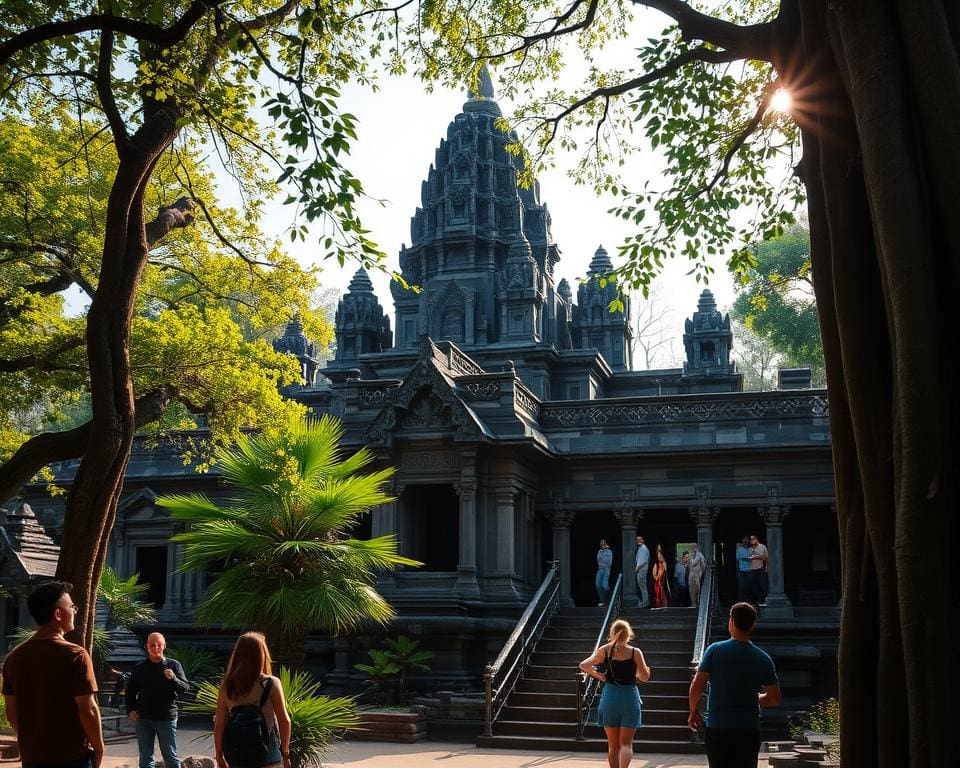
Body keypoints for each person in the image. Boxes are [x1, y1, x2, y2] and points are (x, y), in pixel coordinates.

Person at [1, 580, 104, 768]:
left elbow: (11, 714)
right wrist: (99, 748)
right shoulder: (76, 655)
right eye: (72, 606)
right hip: (72, 757)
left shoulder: (13, 658)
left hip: (33, 759)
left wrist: (31, 744)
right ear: (58, 614)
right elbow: (87, 709)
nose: (75, 611)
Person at [688, 602, 782, 768]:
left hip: (719, 726)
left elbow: (697, 685)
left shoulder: (714, 650)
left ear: (731, 621)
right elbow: (774, 699)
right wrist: (757, 698)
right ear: (753, 625)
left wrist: (693, 711)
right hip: (748, 727)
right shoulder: (763, 658)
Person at [579, 619, 651, 768]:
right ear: (628, 634)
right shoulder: (635, 652)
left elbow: (583, 665)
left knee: (613, 746)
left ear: (612, 633)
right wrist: (638, 673)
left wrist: (598, 675)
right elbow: (645, 677)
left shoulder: (604, 650)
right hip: (630, 696)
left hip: (610, 696)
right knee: (626, 744)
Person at [215, 632, 292, 768]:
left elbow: (220, 724)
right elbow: (284, 720)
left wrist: (219, 754)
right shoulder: (271, 683)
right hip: (268, 753)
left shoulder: (227, 686)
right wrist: (285, 752)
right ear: (262, 655)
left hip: (237, 752)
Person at [126, 632, 190, 768]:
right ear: (147, 647)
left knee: (170, 756)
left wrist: (173, 678)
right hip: (143, 718)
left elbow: (185, 688)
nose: (156, 648)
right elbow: (130, 692)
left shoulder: (173, 665)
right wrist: (130, 710)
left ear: (164, 646)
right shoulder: (140, 668)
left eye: (159, 645)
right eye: (152, 645)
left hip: (166, 717)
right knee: (145, 757)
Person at [749, 535, 769, 606]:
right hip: (752, 570)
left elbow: (765, 557)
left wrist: (767, 567)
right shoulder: (750, 548)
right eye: (751, 540)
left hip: (760, 569)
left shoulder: (762, 547)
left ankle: (765, 600)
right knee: (754, 587)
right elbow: (748, 557)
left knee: (763, 586)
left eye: (753, 539)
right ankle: (758, 601)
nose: (751, 541)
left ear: (756, 539)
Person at [634, 535, 650, 608]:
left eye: (640, 539)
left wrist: (636, 569)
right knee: (641, 586)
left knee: (642, 586)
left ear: (643, 540)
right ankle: (643, 601)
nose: (638, 541)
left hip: (642, 570)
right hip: (641, 569)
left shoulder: (643, 549)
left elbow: (642, 562)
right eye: (637, 540)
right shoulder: (641, 549)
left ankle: (645, 602)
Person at [688, 543, 706, 608]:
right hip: (691, 574)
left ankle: (698, 603)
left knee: (697, 589)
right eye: (692, 546)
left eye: (694, 546)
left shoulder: (700, 555)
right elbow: (688, 565)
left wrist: (700, 573)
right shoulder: (690, 555)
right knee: (691, 588)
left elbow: (703, 565)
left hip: (697, 574)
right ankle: (693, 603)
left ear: (696, 547)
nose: (692, 548)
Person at [736, 537, 754, 603]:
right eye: (744, 541)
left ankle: (748, 601)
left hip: (750, 571)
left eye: (747, 541)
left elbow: (752, 559)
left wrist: (744, 559)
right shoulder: (739, 549)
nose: (746, 542)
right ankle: (741, 601)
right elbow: (738, 560)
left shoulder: (751, 549)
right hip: (742, 570)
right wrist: (737, 571)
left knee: (749, 586)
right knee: (741, 586)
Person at [596, 539, 613, 606]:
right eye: (601, 542)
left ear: (606, 544)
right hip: (600, 569)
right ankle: (602, 601)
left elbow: (608, 562)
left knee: (605, 586)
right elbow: (597, 560)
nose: (602, 544)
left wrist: (605, 551)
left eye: (603, 542)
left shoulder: (609, 552)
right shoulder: (599, 551)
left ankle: (611, 597)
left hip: (606, 569)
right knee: (598, 585)